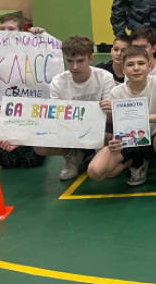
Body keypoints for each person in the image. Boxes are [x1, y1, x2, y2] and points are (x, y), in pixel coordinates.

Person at [87, 45, 156, 199]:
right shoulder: (116, 92)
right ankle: (134, 162)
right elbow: (117, 125)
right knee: (95, 171)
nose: (136, 68)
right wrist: (114, 139)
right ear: (123, 69)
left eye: (140, 63)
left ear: (149, 66)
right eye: (130, 64)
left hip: (154, 141)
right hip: (129, 142)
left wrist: (146, 117)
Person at [33, 35, 115, 181]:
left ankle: (100, 156)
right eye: (70, 61)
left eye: (80, 61)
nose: (74, 67)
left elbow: (111, 118)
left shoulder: (105, 77)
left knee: (110, 136)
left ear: (91, 58)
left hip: (99, 127)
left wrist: (109, 110)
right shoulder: (58, 81)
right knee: (39, 145)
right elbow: (56, 118)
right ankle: (73, 155)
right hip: (70, 128)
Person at [0, 13, 47, 170]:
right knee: (7, 162)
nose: (6, 32)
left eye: (11, 28)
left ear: (21, 31)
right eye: (2, 29)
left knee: (32, 160)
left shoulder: (30, 48)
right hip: (2, 111)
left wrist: (38, 35)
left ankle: (32, 146)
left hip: (26, 108)